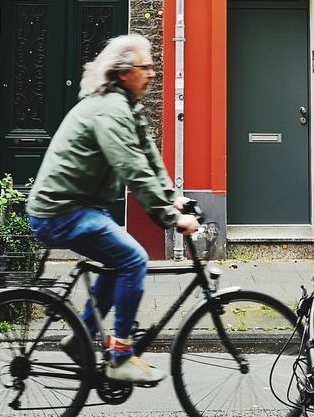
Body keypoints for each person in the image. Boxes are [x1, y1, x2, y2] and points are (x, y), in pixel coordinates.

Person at [25, 33, 198, 385]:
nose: (152, 73)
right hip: (60, 211)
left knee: (117, 261)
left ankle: (82, 335)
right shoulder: (109, 110)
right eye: (145, 67)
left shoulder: (126, 106)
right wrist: (170, 218)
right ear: (122, 72)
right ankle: (120, 355)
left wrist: (173, 197)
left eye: (153, 67)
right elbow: (132, 168)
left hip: (83, 206)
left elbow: (149, 157)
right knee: (133, 259)